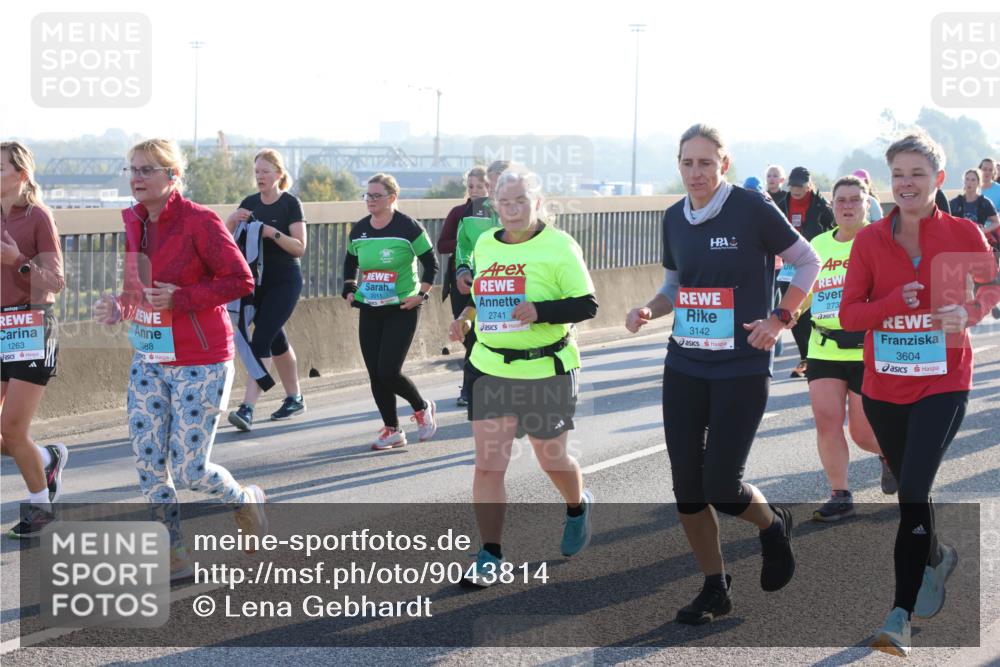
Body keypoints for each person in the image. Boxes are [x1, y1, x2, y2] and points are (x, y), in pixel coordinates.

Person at [625, 124, 820, 625]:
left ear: (723, 164)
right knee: (686, 486)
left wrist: (780, 319)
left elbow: (807, 260)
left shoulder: (752, 207)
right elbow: (673, 285)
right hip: (685, 361)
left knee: (721, 483)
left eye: (705, 163)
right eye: (687, 163)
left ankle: (773, 523)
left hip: (742, 363)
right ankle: (715, 586)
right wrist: (649, 310)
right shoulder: (673, 217)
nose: (696, 172)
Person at [840, 130, 1000, 657]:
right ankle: (936, 555)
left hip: (943, 381)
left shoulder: (961, 234)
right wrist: (890, 301)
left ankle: (898, 617)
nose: (907, 184)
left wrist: (970, 312)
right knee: (913, 488)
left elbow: (992, 287)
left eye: (918, 174)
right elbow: (849, 316)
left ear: (939, 180)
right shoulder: (869, 240)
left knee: (911, 491)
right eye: (899, 175)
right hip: (884, 384)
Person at [93, 139, 268, 578]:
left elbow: (241, 280)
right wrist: (119, 307)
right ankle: (173, 551)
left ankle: (245, 501)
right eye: (132, 168)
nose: (136, 177)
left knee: (190, 469)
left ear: (173, 177)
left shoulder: (200, 222)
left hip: (200, 360)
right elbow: (139, 290)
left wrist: (182, 297)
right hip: (150, 358)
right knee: (149, 461)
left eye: (148, 169)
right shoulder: (135, 222)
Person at [448, 169, 598, 586]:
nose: (512, 210)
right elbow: (483, 300)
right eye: (504, 202)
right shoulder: (484, 243)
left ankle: (576, 504)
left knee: (551, 457)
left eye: (520, 201)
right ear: (493, 204)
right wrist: (464, 318)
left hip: (545, 367)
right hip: (491, 365)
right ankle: (490, 553)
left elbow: (588, 305)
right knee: (488, 466)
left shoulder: (560, 246)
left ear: (537, 202)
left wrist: (540, 311)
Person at [805, 175, 895, 524]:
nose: (847, 205)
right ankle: (840, 494)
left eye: (854, 199)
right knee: (827, 421)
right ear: (831, 204)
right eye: (840, 200)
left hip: (866, 348)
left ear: (867, 203)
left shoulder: (881, 239)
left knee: (863, 433)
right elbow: (806, 291)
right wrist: (785, 313)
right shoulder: (818, 245)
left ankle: (890, 456)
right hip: (823, 345)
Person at [342, 173, 439, 451]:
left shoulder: (409, 228)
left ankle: (421, 407)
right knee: (375, 373)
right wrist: (349, 287)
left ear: (392, 198)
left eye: (376, 196)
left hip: (401, 308)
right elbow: (350, 261)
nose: (370, 201)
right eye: (367, 196)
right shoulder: (359, 229)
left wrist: (421, 295)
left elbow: (431, 265)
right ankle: (393, 429)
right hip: (370, 306)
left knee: (388, 370)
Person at [1, 141, 68, 538]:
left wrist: (18, 262)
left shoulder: (38, 216)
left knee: (11, 429)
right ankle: (46, 457)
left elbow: (57, 281)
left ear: (21, 174)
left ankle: (40, 507)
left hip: (31, 328)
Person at [225, 149, 308, 432]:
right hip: (255, 282)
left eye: (266, 172)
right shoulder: (249, 203)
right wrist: (231, 220)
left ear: (279, 175)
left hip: (285, 280)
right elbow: (227, 242)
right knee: (276, 340)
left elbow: (300, 247)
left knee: (260, 338)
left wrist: (270, 233)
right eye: (257, 172)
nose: (260, 177)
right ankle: (294, 397)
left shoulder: (290, 204)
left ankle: (247, 408)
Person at [437, 166, 488, 407]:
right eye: (471, 186)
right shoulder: (459, 212)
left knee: (482, 336)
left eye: (481, 186)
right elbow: (442, 245)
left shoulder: (500, 213)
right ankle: (473, 387)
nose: (475, 191)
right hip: (462, 282)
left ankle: (469, 389)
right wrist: (465, 238)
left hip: (491, 281)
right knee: (468, 336)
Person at [778, 166, 835, 378]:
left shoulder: (821, 205)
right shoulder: (783, 204)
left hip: (815, 262)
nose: (795, 189)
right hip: (790, 264)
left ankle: (814, 356)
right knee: (790, 310)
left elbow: (833, 230)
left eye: (800, 185)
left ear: (809, 185)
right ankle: (805, 357)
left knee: (810, 311)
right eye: (792, 185)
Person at [454, 160, 511, 296]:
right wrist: (463, 269)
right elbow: (463, 245)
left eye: (497, 185)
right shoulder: (472, 210)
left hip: (519, 288)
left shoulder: (524, 213)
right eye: (488, 185)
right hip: (483, 288)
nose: (491, 190)